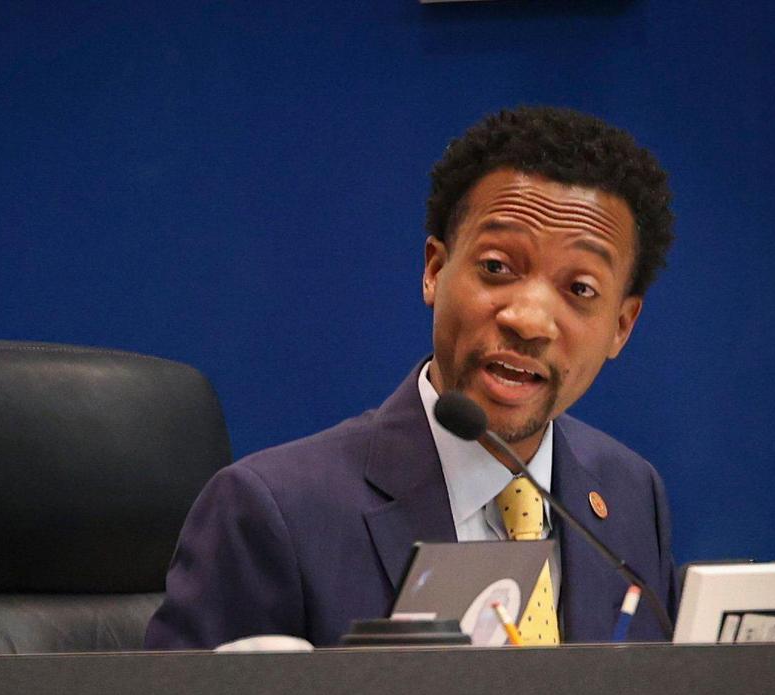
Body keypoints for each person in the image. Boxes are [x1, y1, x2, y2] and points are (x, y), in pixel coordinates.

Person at [145, 106, 677, 650]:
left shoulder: (631, 496)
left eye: (580, 289)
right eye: (496, 267)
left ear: (621, 325)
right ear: (435, 270)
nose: (529, 320)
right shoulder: (272, 512)